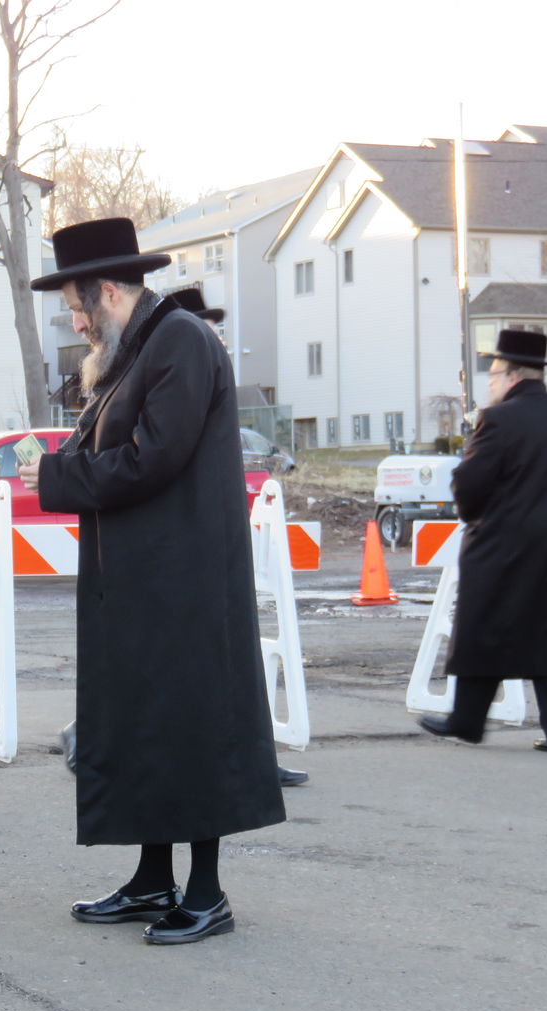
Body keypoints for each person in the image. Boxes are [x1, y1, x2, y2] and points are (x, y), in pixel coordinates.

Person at [19, 218, 285, 945]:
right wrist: (54, 464)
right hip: (145, 579)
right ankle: (151, 879)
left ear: (108, 290)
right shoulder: (139, 347)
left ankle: (205, 892)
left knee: (191, 729)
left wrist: (53, 475)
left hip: (186, 581)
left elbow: (152, 459)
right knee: (146, 728)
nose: (75, 322)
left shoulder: (181, 342)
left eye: (78, 306)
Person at [418, 329, 547, 755]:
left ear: (513, 375)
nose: (491, 383)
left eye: (494, 375)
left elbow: (471, 483)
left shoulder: (498, 419)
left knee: (486, 630)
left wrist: (473, 511)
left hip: (504, 547)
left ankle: (467, 721)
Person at [167, 288, 309, 789]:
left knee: (222, 663)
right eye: (206, 323)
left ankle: (253, 759)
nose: (215, 333)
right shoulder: (182, 365)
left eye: (215, 325)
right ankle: (90, 733)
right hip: (193, 544)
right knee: (201, 663)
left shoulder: (204, 365)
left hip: (214, 539)